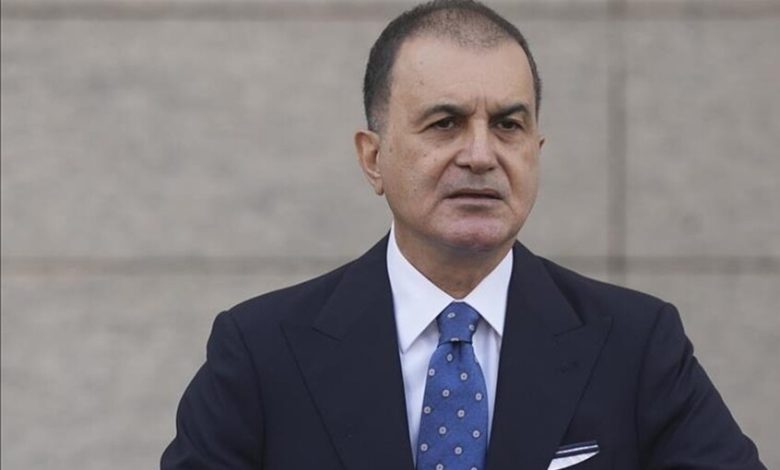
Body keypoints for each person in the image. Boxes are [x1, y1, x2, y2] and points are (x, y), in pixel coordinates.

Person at [161, 1, 765, 469]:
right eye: (445, 123)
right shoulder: (262, 352)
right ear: (373, 158)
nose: (480, 155)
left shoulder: (637, 346)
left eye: (508, 125)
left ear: (536, 150)